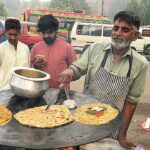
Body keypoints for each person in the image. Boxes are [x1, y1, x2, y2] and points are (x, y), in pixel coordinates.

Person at [58, 11, 149, 150]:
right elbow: (77, 69)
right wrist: (69, 72)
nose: (118, 33)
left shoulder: (140, 63)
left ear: (135, 35)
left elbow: (131, 102)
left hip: (113, 126)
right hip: (85, 119)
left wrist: (122, 136)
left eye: (125, 29)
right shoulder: (96, 49)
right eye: (116, 28)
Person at [31, 14, 75, 89]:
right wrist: (35, 66)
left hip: (61, 92)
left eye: (49, 32)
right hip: (40, 91)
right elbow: (30, 70)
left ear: (56, 31)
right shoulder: (35, 48)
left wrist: (66, 78)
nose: (46, 36)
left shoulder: (68, 48)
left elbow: (74, 71)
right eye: (43, 33)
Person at [0, 18, 30, 91]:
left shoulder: (25, 49)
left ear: (19, 33)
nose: (12, 38)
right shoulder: (1, 48)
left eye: (15, 35)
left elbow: (28, 69)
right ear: (5, 33)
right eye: (10, 34)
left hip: (22, 90)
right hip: (4, 90)